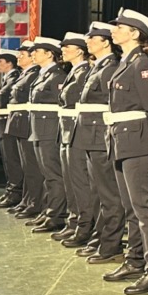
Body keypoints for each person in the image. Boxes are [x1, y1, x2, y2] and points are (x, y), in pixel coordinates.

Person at [104, 8, 148, 294]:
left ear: (134, 33)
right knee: (132, 207)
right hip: (123, 139)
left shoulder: (142, 64)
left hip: (138, 142)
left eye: (119, 27)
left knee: (144, 208)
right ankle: (134, 260)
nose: (114, 30)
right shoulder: (126, 62)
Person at [75, 22, 124, 265]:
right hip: (90, 135)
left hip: (100, 135)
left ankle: (111, 245)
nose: (88, 42)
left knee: (109, 194)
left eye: (92, 39)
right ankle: (100, 238)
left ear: (106, 42)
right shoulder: (99, 67)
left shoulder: (111, 67)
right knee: (97, 192)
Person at [54, 32, 93, 247]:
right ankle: (74, 221)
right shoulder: (74, 72)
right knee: (70, 181)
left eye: (67, 48)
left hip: (79, 131)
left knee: (80, 182)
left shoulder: (85, 71)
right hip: (68, 130)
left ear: (79, 50)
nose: (63, 52)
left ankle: (84, 225)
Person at [27, 37, 68, 233]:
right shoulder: (42, 75)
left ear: (49, 54)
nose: (33, 54)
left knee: (53, 174)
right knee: (46, 174)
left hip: (50, 129)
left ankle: (56, 215)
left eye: (37, 51)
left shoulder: (57, 76)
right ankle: (48, 210)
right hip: (39, 129)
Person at [4, 42, 44, 217]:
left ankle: (35, 202)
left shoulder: (35, 74)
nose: (19, 57)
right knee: (26, 167)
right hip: (19, 123)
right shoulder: (25, 74)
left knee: (32, 168)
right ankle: (27, 199)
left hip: (28, 123)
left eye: (23, 55)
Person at [0, 50, 24, 207]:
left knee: (13, 160)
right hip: (2, 123)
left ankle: (15, 192)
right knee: (7, 160)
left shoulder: (15, 77)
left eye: (0, 62)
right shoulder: (7, 78)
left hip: (9, 123)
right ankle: (10, 190)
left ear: (10, 63)